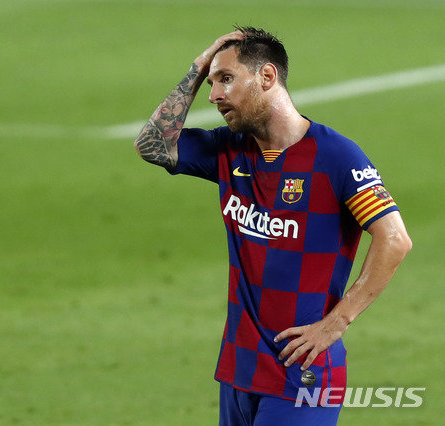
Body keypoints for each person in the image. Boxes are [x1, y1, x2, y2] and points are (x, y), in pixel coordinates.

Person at [133, 26, 412, 425]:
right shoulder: (229, 150)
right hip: (239, 369)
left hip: (303, 373)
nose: (214, 95)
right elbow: (152, 145)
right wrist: (197, 68)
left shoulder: (335, 157)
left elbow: (395, 239)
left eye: (225, 79)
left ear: (266, 76)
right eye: (211, 83)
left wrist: (337, 322)